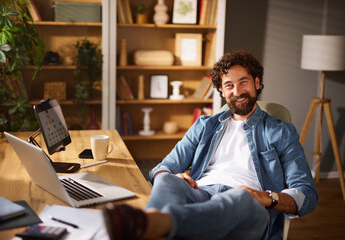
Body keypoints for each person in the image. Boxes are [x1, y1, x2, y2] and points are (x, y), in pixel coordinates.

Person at [103, 50, 318, 240]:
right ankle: (153, 224)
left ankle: (152, 225)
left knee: (239, 197)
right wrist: (171, 176)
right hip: (201, 195)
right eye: (229, 85)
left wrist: (268, 197)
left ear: (257, 83)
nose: (237, 91)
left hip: (248, 206)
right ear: (222, 92)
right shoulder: (205, 125)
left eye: (244, 82)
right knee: (168, 181)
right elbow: (163, 167)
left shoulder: (281, 132)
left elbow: (306, 193)